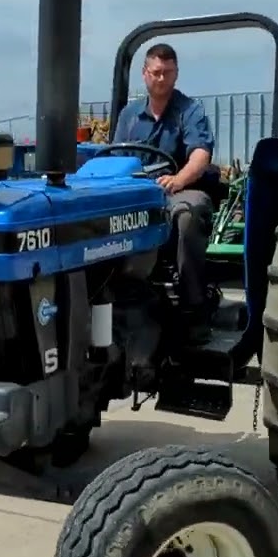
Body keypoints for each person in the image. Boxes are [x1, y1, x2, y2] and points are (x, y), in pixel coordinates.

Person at [113, 42, 217, 341]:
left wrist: (179, 179)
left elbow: (200, 155)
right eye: (156, 72)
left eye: (167, 73)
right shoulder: (129, 115)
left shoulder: (189, 111)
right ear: (145, 74)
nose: (161, 78)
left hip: (176, 190)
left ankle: (193, 308)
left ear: (176, 74)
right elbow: (115, 157)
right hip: (136, 191)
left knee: (189, 212)